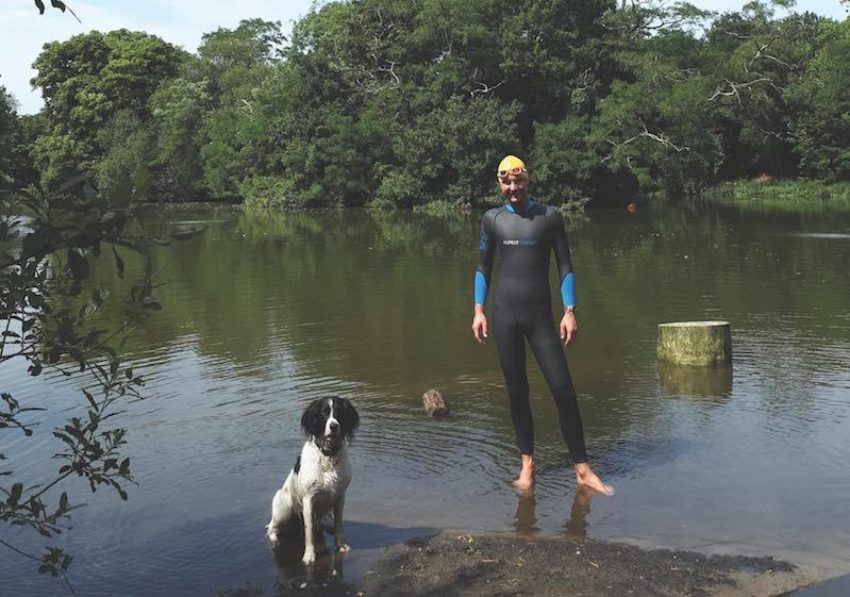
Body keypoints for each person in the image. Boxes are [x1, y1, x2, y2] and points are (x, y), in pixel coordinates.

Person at [471, 155, 614, 496]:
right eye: (506, 183)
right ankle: (527, 467)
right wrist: (478, 311)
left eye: (518, 182)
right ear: (499, 184)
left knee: (563, 390)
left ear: (527, 181)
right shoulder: (492, 220)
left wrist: (570, 310)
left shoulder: (549, 217)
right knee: (517, 393)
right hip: (505, 315)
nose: (513, 189)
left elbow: (565, 265)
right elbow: (482, 267)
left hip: (540, 317)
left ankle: (582, 469)